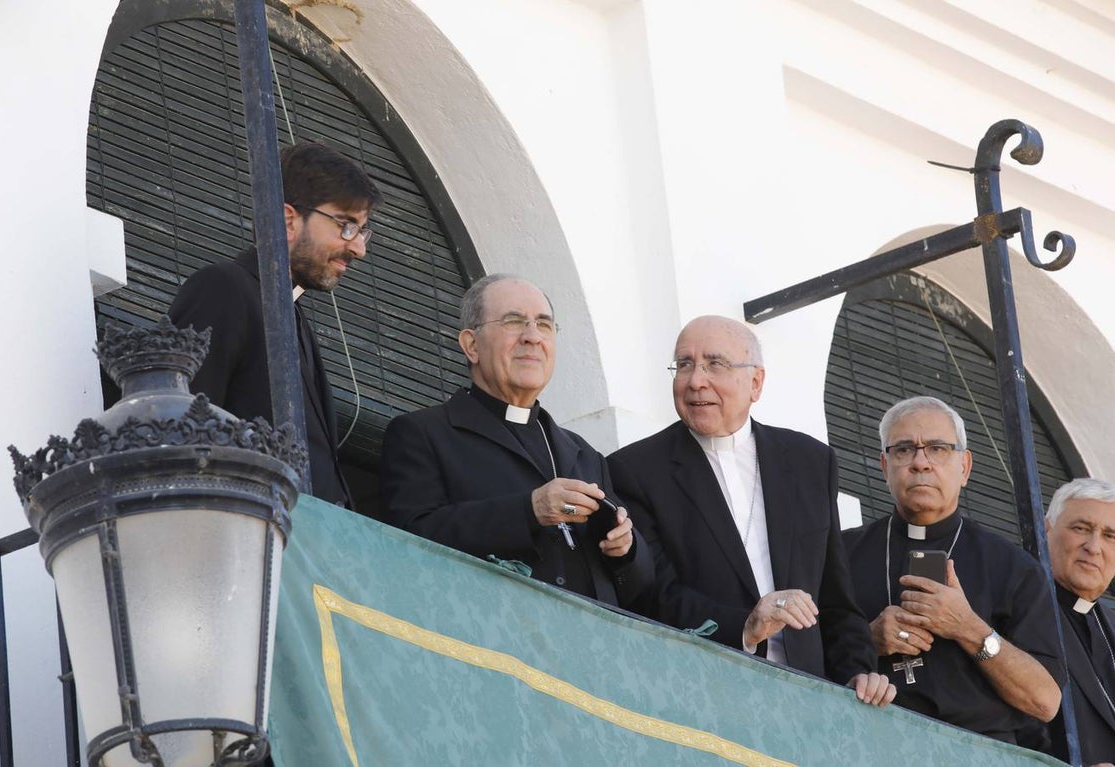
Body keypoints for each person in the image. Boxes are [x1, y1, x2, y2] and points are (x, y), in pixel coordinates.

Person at [607, 315, 894, 707]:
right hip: (702, 693)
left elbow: (835, 598)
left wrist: (857, 672)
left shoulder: (810, 461)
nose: (696, 381)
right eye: (685, 364)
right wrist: (746, 626)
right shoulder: (636, 470)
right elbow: (652, 596)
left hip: (809, 699)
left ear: (755, 383)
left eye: (715, 364)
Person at [379, 274, 654, 608]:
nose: (532, 337)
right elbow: (408, 541)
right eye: (513, 321)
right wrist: (528, 511)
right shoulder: (422, 434)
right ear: (471, 345)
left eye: (544, 325)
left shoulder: (584, 454)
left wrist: (626, 549)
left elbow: (639, 589)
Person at [168, 142, 382, 507]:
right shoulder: (225, 288)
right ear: (288, 220)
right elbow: (180, 424)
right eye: (346, 226)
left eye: (362, 231)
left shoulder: (292, 312)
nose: (358, 248)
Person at [843, 395, 1064, 743]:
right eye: (904, 450)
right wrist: (867, 640)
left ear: (965, 467)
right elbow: (795, 657)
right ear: (885, 467)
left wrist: (967, 627)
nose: (920, 463)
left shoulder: (1013, 567)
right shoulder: (841, 554)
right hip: (869, 742)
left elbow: (1045, 701)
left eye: (937, 449)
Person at [1045, 478, 1115, 767]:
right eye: (1081, 528)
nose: (1094, 547)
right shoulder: (1014, 607)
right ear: (1046, 529)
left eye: (1110, 536)